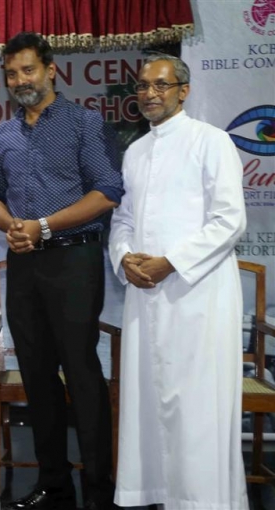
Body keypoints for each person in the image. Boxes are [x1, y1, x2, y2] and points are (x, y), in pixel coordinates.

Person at [0, 32, 123, 510]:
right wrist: (12, 226)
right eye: (11, 73)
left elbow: (106, 191)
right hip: (24, 263)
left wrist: (42, 226)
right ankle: (54, 487)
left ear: (50, 70)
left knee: (81, 373)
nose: (20, 80)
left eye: (28, 70)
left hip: (74, 261)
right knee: (37, 375)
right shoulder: (4, 135)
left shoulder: (84, 122)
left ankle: (99, 493)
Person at [108, 55, 248, 510]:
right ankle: (159, 495)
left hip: (197, 293)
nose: (149, 93)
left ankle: (204, 500)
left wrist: (170, 263)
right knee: (149, 400)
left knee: (197, 404)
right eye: (142, 86)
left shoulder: (212, 141)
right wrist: (124, 257)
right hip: (146, 294)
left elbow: (230, 220)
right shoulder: (135, 152)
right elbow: (123, 219)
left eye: (161, 85)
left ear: (183, 91)